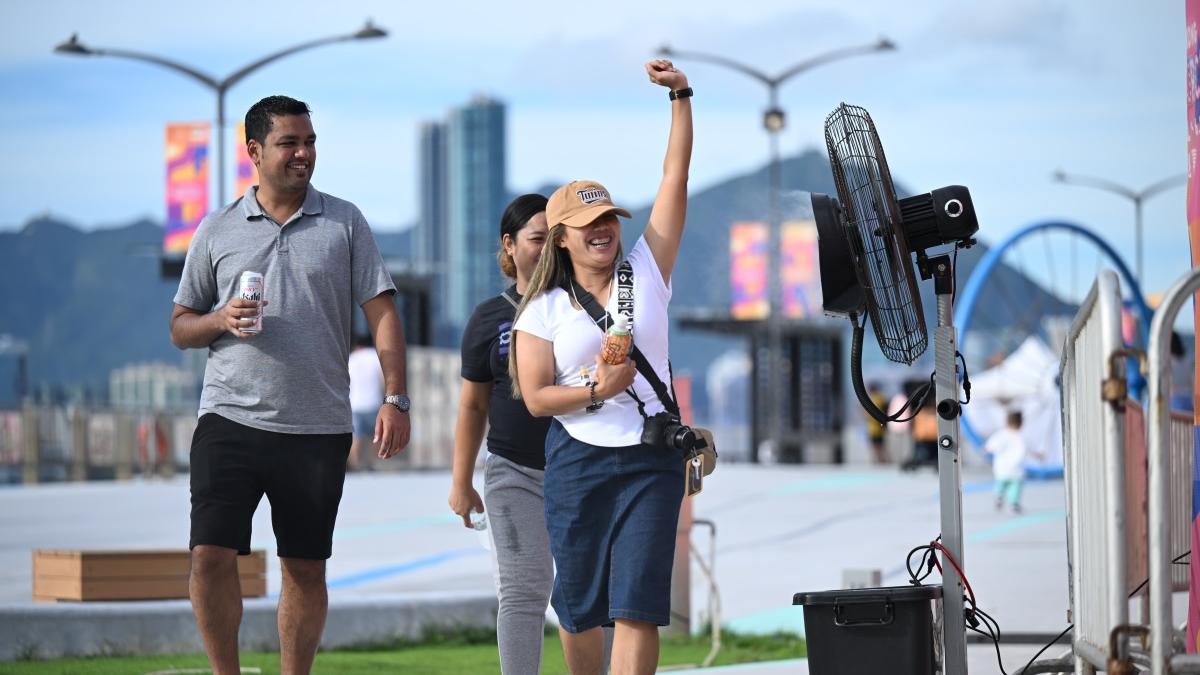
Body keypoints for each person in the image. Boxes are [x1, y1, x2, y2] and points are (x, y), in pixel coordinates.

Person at [169, 95, 411, 675]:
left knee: (304, 567)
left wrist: (396, 397)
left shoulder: (344, 221)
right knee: (208, 556)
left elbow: (382, 315)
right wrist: (220, 319)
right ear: (254, 151)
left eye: (310, 142)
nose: (304, 153)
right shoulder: (216, 228)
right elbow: (180, 326)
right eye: (289, 143)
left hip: (317, 425)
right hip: (229, 417)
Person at [510, 59, 693, 675]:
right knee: (581, 605)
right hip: (579, 459)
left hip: (651, 457)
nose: (603, 230)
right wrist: (595, 390)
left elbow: (675, 176)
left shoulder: (646, 271)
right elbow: (536, 398)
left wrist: (681, 97)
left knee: (639, 603)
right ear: (561, 236)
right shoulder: (542, 310)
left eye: (609, 219)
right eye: (588, 224)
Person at [984, 410, 1041, 514]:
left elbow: (991, 446)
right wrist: (1038, 455)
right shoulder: (1022, 436)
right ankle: (1014, 504)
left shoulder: (1000, 434)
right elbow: (1030, 449)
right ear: (1021, 423)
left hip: (1002, 467)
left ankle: (999, 496)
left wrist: (986, 449)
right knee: (1016, 486)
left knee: (1000, 483)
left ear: (1007, 422)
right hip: (1016, 468)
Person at [348, 333, 384, 471]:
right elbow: (382, 379)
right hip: (373, 402)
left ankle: (355, 466)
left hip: (355, 403)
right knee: (375, 436)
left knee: (356, 437)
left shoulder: (352, 358)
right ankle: (370, 464)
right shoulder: (375, 357)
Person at [865, 382, 888, 464]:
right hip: (880, 427)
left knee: (876, 447)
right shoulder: (881, 398)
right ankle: (882, 461)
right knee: (881, 446)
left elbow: (865, 415)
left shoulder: (870, 399)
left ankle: (879, 461)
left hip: (872, 428)